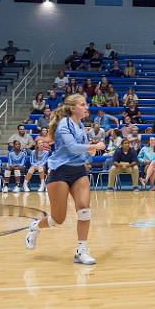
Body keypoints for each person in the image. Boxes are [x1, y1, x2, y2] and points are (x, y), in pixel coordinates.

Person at [24, 94, 105, 264]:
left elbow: (79, 149)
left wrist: (89, 150)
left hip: (78, 171)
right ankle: (35, 227)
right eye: (82, 104)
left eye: (86, 104)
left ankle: (81, 251)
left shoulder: (81, 125)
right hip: (59, 172)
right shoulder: (63, 125)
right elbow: (73, 147)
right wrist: (93, 147)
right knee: (57, 219)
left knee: (84, 209)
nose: (86, 107)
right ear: (72, 108)